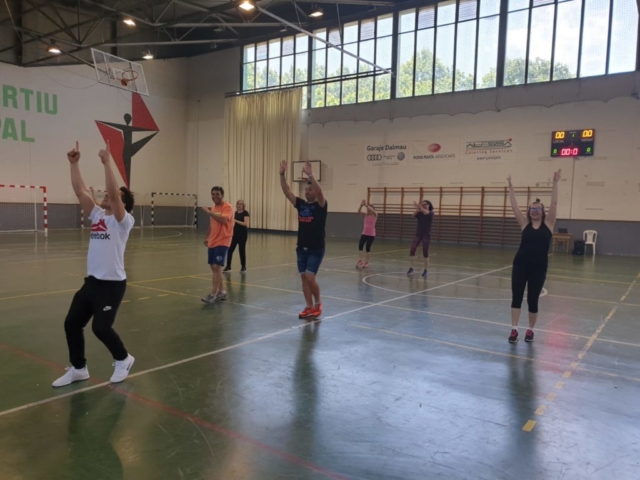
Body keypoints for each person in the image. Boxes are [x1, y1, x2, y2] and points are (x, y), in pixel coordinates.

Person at [52, 141, 136, 388]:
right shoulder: (98, 214)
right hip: (92, 282)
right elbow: (80, 191)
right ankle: (79, 369)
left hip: (112, 285)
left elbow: (114, 194)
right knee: (72, 323)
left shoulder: (124, 221)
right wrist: (74, 164)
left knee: (101, 328)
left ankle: (123, 359)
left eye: (115, 196)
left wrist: (107, 163)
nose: (107, 195)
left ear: (123, 205)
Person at [507, 169, 561, 343]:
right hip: (520, 265)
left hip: (539, 268)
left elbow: (554, 203)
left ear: (543, 212)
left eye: (538, 209)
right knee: (516, 297)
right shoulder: (524, 224)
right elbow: (515, 208)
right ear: (529, 212)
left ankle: (530, 330)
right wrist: (511, 189)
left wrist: (555, 182)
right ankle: (514, 329)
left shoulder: (549, 224)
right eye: (532, 209)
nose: (535, 211)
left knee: (533, 300)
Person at [280, 160, 328, 319]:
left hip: (316, 249)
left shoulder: (321, 205)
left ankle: (318, 303)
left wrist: (311, 175)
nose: (307, 191)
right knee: (304, 278)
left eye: (310, 189)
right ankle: (308, 306)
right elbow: (287, 192)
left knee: (310, 277)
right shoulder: (301, 204)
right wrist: (282, 175)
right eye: (306, 189)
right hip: (301, 248)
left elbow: (320, 192)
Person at [201, 186, 234, 304]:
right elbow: (212, 223)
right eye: (213, 194)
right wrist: (207, 237)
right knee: (213, 267)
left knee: (217, 267)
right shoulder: (214, 207)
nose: (215, 196)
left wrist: (209, 212)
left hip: (223, 240)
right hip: (213, 241)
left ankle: (213, 294)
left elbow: (224, 220)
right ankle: (222, 291)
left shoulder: (227, 207)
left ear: (222, 195)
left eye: (217, 194)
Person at [407, 199, 434, 277]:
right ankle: (411, 268)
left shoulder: (431, 213)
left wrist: (420, 207)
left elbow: (426, 212)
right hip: (418, 234)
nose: (424, 205)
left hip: (426, 235)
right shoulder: (420, 213)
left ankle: (426, 270)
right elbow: (413, 215)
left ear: (429, 205)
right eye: (422, 204)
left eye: (425, 204)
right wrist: (417, 209)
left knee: (425, 252)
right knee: (412, 249)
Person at [224, 200, 250, 273]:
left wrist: (236, 221)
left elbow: (245, 224)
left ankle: (243, 267)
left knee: (241, 250)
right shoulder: (235, 213)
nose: (239, 206)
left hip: (242, 234)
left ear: (243, 205)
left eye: (240, 204)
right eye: (238, 204)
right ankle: (228, 266)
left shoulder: (245, 213)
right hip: (235, 234)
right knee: (230, 249)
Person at [356, 199, 377, 269]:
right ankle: (360, 260)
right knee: (360, 246)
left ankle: (367, 262)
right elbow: (358, 211)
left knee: (368, 248)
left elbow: (373, 211)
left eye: (370, 208)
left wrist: (366, 205)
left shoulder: (375, 215)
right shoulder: (365, 215)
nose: (369, 209)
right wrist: (361, 205)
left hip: (371, 234)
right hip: (364, 233)